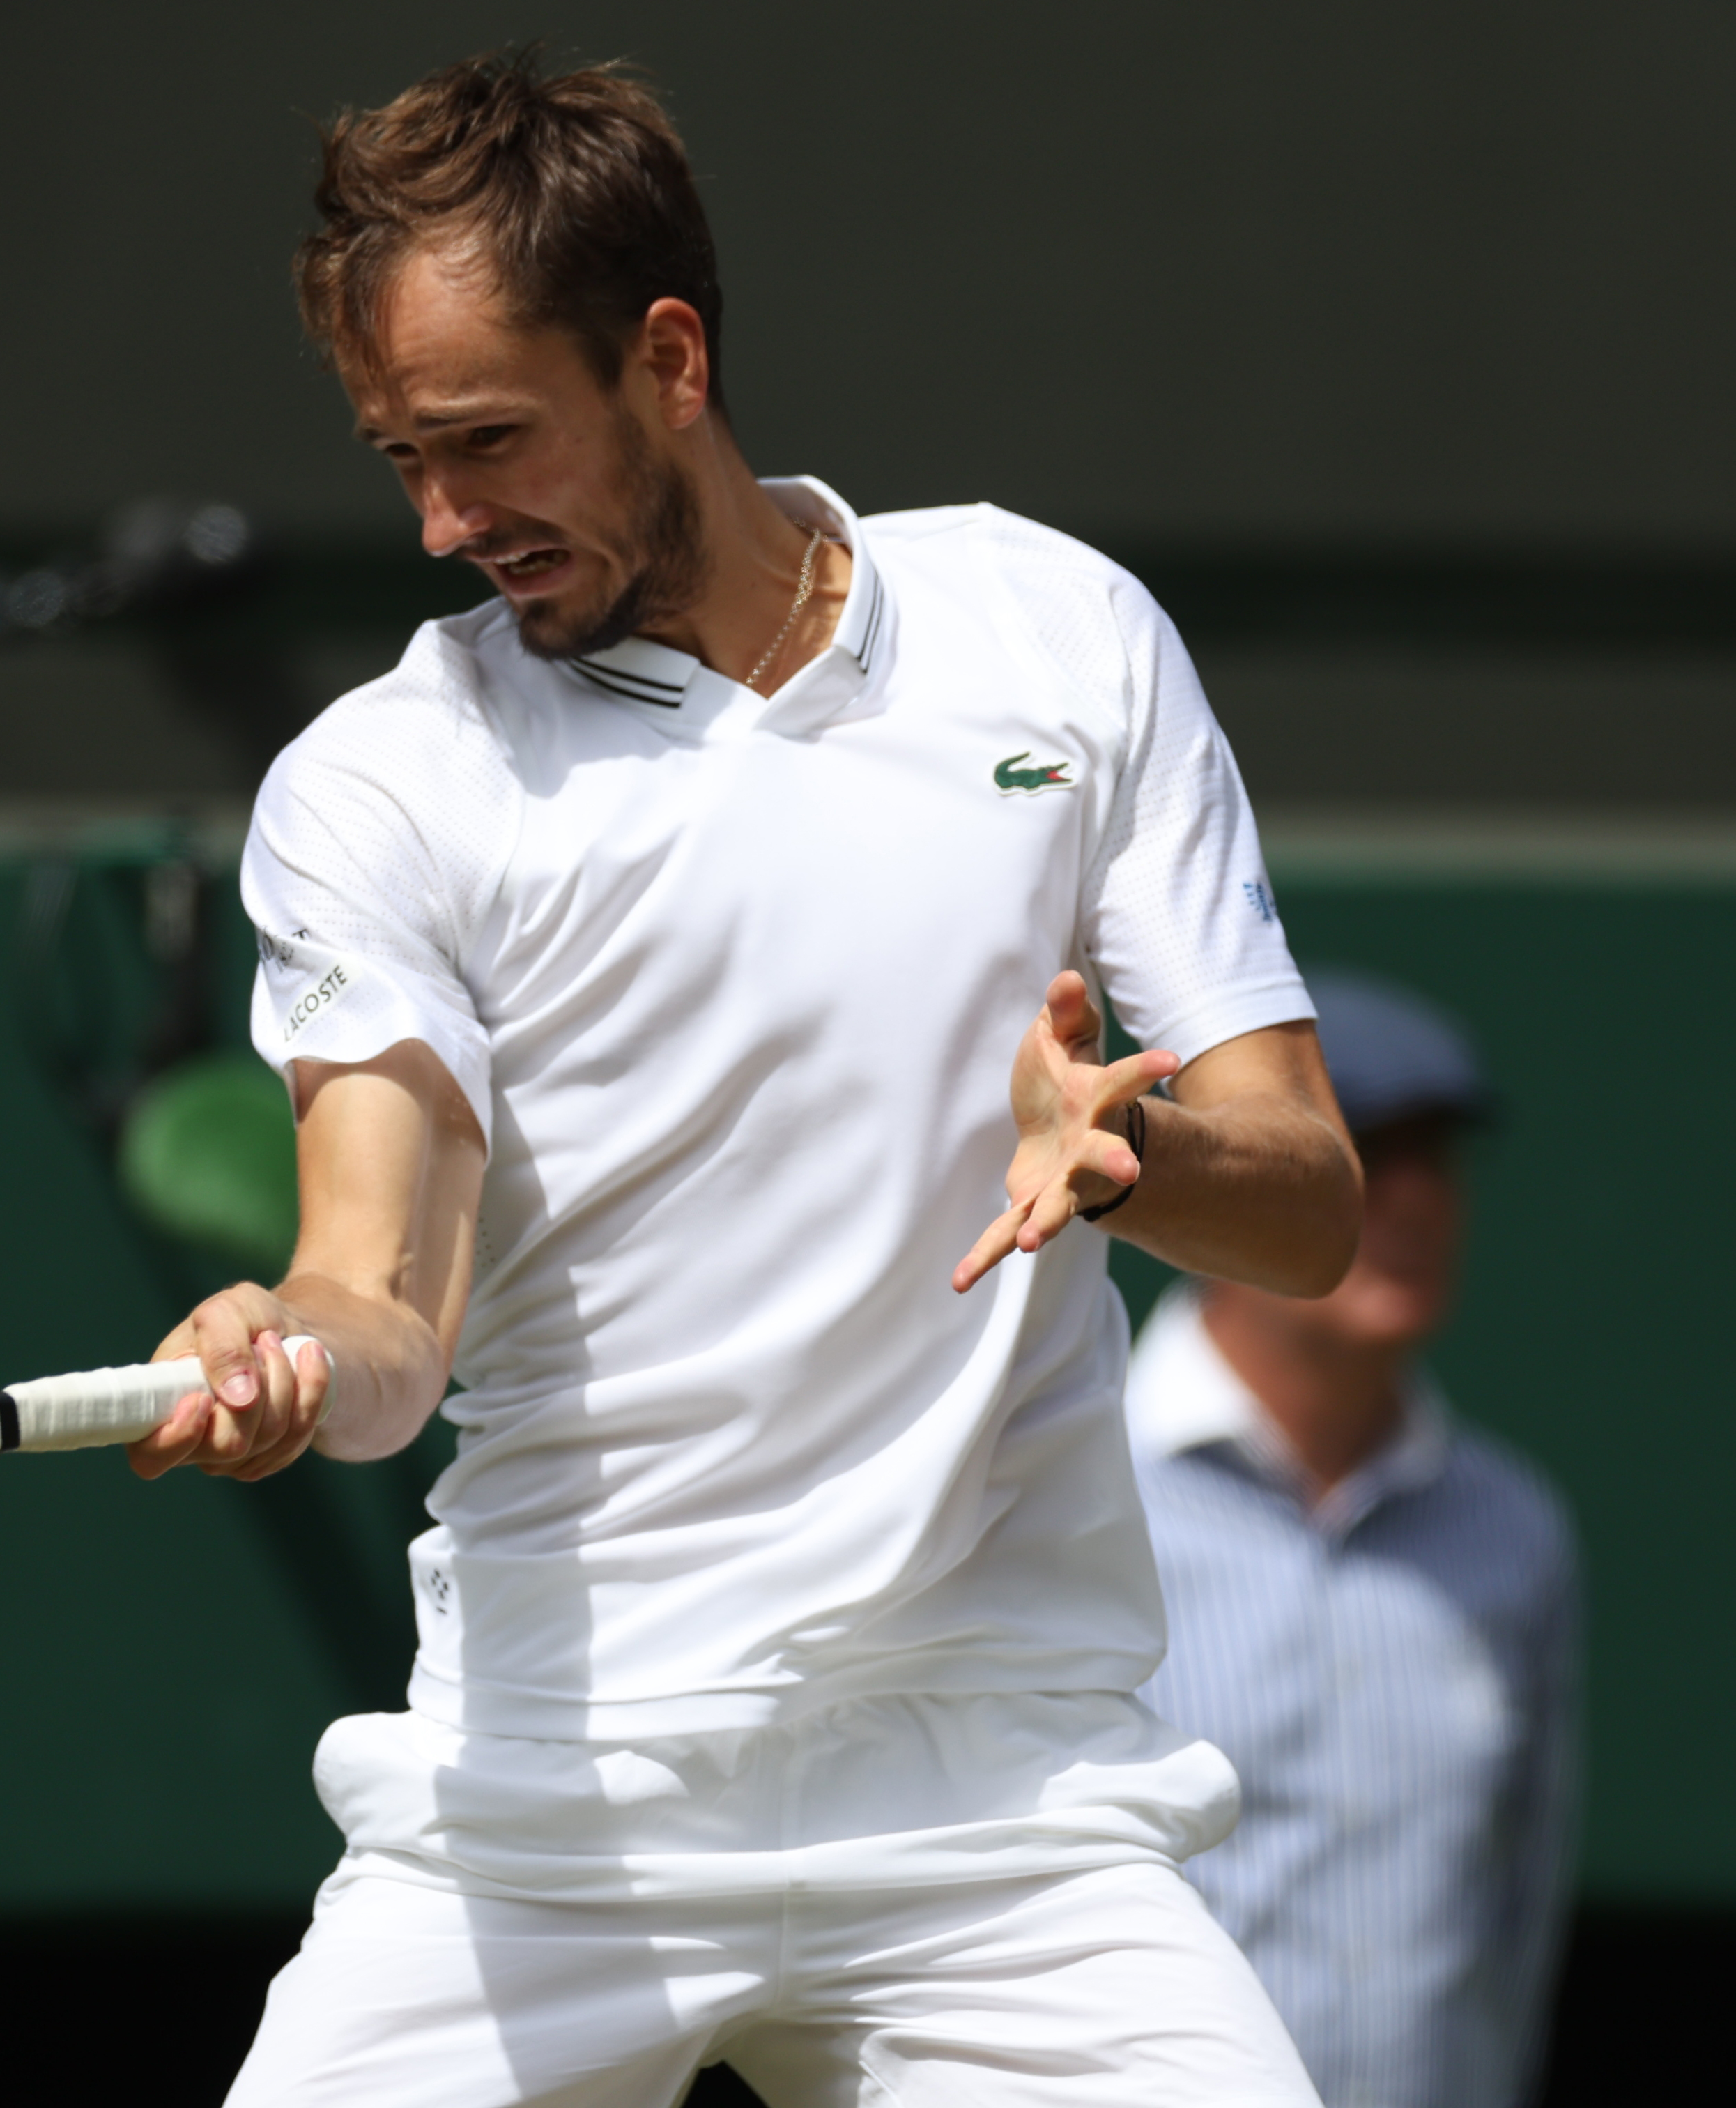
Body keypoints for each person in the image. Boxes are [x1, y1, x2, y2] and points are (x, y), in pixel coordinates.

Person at [124, 52, 1364, 2105]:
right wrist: (301, 1353)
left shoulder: (1057, 632)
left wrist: (1133, 1156)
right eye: (402, 459)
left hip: (1001, 1811)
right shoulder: (379, 787)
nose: (443, 523)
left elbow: (1307, 1209)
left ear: (670, 361)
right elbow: (386, 1299)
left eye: (489, 441)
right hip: (548, 1805)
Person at [1129, 969, 1579, 2108]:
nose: (1414, 1199)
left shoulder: (1513, 1529)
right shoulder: (1073, 1493)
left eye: (1438, 1158)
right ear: (1235, 1187)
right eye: (1366, 1151)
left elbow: (1519, 1914)